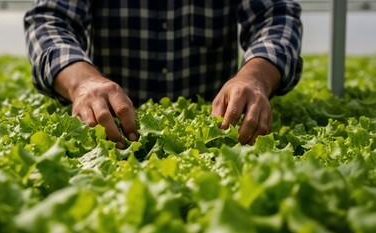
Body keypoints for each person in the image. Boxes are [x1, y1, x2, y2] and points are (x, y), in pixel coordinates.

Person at [24, 0, 302, 148]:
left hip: (221, 134)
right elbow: (51, 19)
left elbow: (276, 15)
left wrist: (255, 77)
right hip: (109, 130)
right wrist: (82, 82)